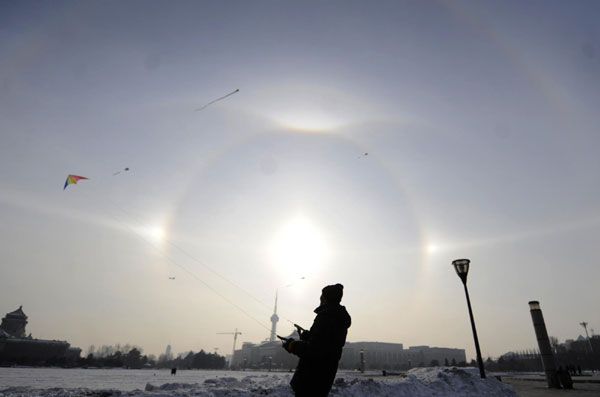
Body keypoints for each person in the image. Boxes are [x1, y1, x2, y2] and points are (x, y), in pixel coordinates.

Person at [281, 283, 351, 396]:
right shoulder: (338, 317)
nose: (320, 298)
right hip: (324, 377)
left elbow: (314, 351)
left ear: (325, 298)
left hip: (311, 379)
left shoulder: (326, 316)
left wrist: (292, 345)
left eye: (322, 296)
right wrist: (308, 336)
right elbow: (326, 342)